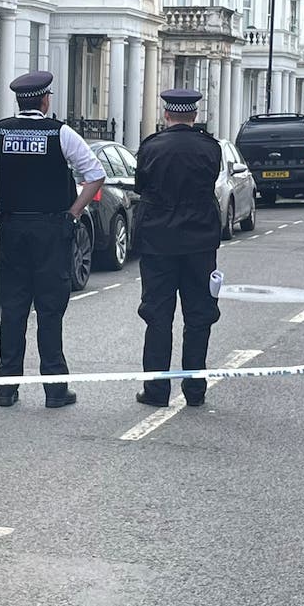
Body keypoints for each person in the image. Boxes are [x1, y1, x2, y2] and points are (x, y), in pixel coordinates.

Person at [0, 70, 105, 408]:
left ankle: (7, 387)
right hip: (52, 231)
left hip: (13, 229)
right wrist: (72, 213)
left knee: (13, 308)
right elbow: (96, 175)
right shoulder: (61, 134)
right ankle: (54, 390)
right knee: (50, 310)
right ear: (45, 100)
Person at [131, 87, 225, 409]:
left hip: (158, 243)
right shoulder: (209, 147)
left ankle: (156, 391)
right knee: (199, 315)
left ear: (166, 114)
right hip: (199, 242)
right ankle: (195, 389)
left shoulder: (151, 147)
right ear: (194, 115)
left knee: (158, 316)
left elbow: (141, 186)